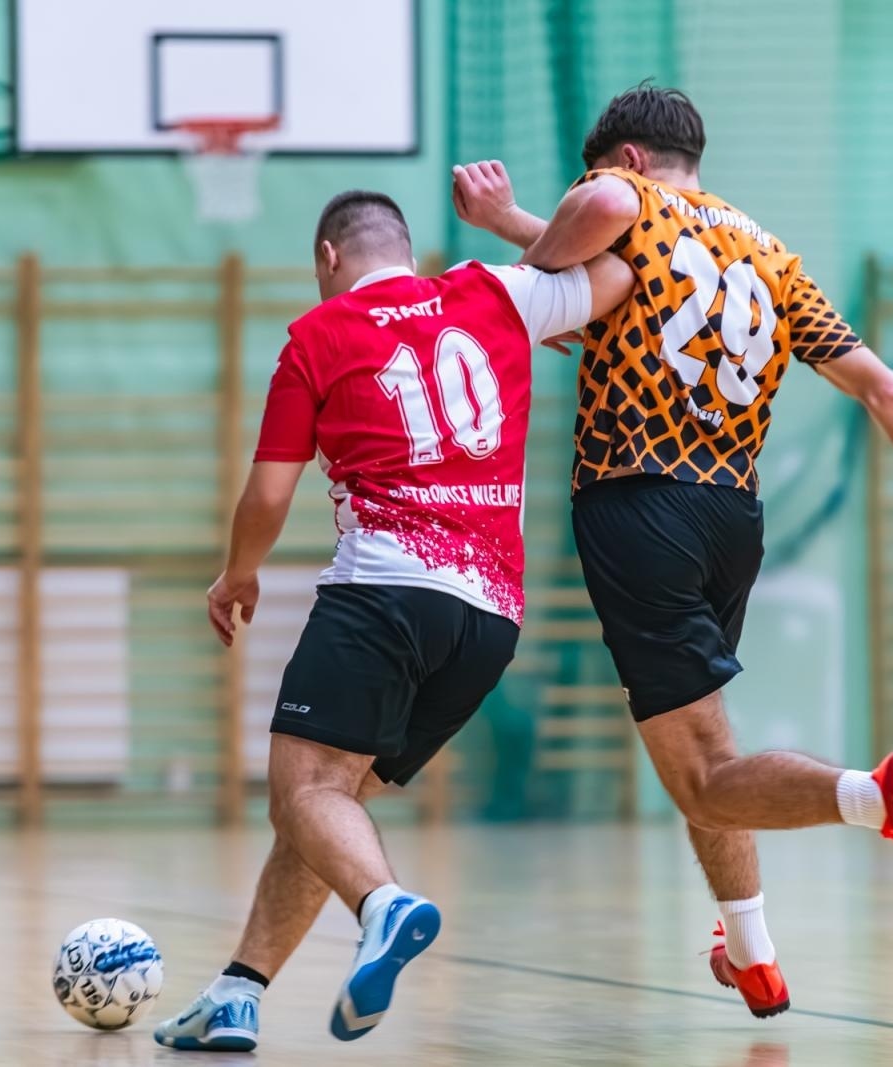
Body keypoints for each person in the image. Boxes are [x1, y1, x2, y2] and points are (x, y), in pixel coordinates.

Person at [452, 84, 893, 1018]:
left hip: (639, 503)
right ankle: (751, 951)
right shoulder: (769, 254)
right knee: (704, 742)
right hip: (730, 519)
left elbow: (600, 215)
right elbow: (886, 392)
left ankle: (875, 797)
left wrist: (528, 251)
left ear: (627, 159)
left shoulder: (623, 200)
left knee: (706, 779)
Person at [153, 190, 634, 1050]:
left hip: (384, 592)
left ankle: (385, 905)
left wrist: (238, 574)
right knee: (328, 806)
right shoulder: (497, 293)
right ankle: (239, 990)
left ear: (330, 260)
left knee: (303, 794)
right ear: (405, 248)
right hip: (488, 622)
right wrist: (529, 248)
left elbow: (269, 492)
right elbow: (620, 270)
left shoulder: (320, 334)